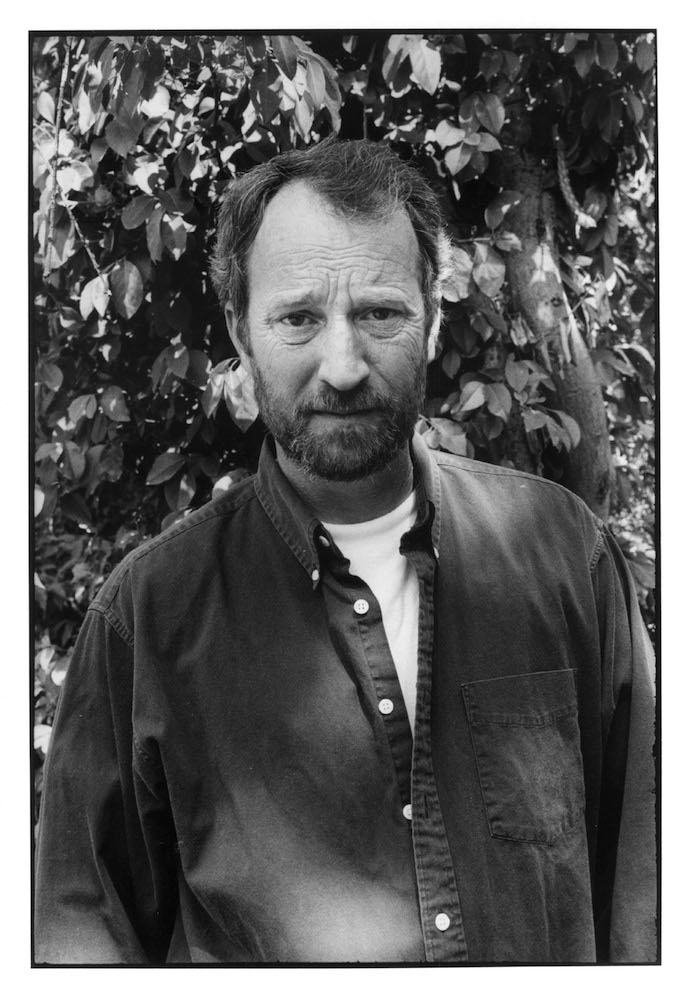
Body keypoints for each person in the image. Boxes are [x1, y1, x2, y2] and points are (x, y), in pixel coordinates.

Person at [34, 137, 656, 965]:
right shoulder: (146, 618)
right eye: (298, 317)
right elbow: (81, 942)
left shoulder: (564, 555)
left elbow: (649, 895)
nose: (343, 367)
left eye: (379, 313)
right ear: (240, 332)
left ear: (431, 321)